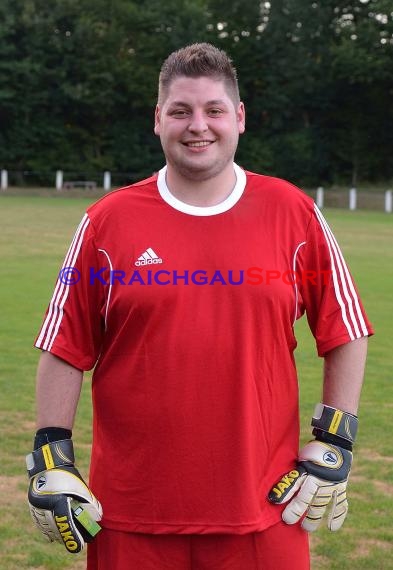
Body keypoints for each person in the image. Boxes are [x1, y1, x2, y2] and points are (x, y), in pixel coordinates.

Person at [26, 43, 373, 570]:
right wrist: (51, 454)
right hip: (131, 512)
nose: (198, 126)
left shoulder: (294, 212)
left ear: (239, 118)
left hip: (263, 509)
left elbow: (345, 327)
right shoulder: (106, 221)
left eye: (213, 110)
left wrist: (335, 440)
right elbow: (65, 345)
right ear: (158, 119)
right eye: (180, 110)